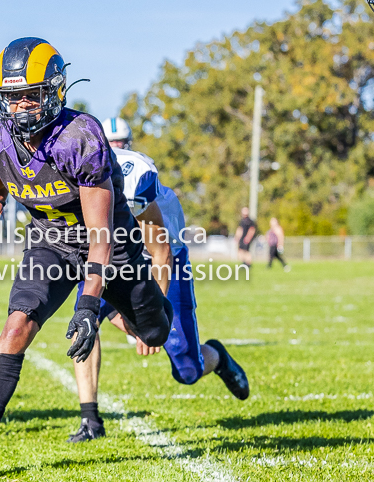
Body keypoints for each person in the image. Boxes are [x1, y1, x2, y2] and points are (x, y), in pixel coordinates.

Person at [0, 37, 173, 474]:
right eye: (12, 97)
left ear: (55, 90)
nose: (22, 107)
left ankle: (119, 312)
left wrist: (89, 305)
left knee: (155, 334)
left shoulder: (79, 137)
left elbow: (100, 236)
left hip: (112, 246)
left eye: (31, 95)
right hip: (49, 244)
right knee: (16, 328)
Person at [67, 120, 250, 442]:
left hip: (162, 260)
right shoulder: (81, 171)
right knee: (84, 320)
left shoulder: (135, 177)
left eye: (121, 141)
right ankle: (89, 419)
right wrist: (112, 313)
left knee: (187, 370)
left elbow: (161, 254)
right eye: (111, 142)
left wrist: (152, 316)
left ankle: (217, 356)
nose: (116, 148)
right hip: (115, 255)